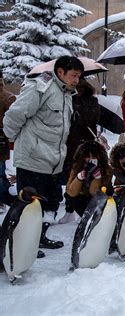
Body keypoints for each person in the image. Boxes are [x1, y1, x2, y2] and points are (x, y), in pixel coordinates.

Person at [3, 55, 84, 250]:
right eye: (73, 75)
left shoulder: (66, 94)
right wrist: (16, 139)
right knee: (28, 206)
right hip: (33, 160)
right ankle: (19, 245)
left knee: (51, 203)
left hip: (53, 162)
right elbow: (15, 114)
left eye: (79, 77)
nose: (76, 81)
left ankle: (38, 238)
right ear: (60, 72)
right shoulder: (41, 88)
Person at [59, 79, 102, 223]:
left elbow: (92, 119)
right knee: (71, 178)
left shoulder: (91, 102)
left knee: (87, 177)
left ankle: (85, 209)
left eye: (81, 87)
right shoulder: (66, 99)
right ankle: (69, 209)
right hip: (69, 145)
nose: (78, 90)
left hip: (86, 147)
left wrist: (78, 112)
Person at [59, 141, 113, 223]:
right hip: (82, 200)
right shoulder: (77, 167)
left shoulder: (106, 170)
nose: (90, 159)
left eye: (94, 156)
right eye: (87, 156)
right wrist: (80, 177)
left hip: (96, 201)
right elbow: (71, 192)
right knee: (72, 197)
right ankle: (69, 213)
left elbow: (95, 193)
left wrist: (97, 177)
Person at [0, 70, 16, 206]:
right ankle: (5, 197)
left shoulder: (8, 98)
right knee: (1, 171)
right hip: (2, 137)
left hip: (2, 137)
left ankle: (4, 198)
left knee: (0, 171)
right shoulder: (9, 97)